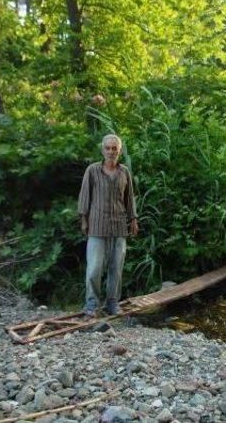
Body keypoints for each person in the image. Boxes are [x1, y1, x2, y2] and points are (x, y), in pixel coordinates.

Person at [77, 134, 138, 318]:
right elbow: (84, 196)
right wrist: (84, 219)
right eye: (108, 148)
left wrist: (133, 219)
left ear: (119, 151)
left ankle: (112, 304)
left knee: (116, 268)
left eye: (115, 149)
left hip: (119, 227)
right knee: (94, 268)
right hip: (97, 226)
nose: (111, 151)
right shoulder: (92, 170)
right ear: (103, 150)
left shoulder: (124, 172)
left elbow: (129, 198)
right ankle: (92, 305)